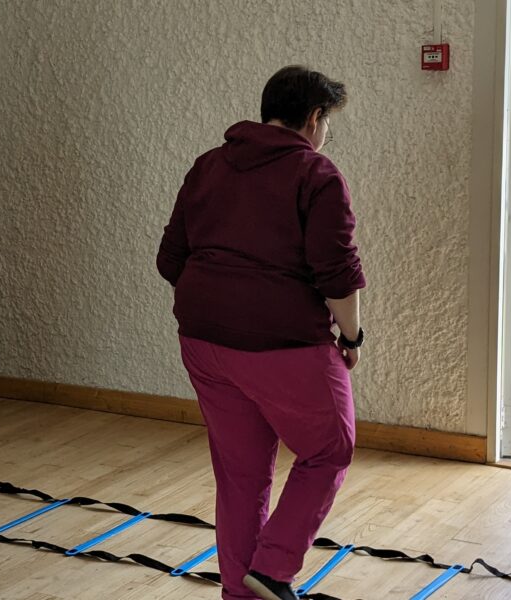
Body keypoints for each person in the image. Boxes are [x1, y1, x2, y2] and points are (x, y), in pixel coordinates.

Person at [157, 65, 365, 600]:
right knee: (329, 449)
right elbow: (337, 274)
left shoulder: (209, 165)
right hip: (283, 345)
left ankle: (241, 595)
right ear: (315, 118)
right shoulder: (316, 174)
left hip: (203, 341)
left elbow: (170, 258)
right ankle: (272, 570)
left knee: (241, 477)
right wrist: (352, 337)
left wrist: (221, 294)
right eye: (327, 124)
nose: (326, 136)